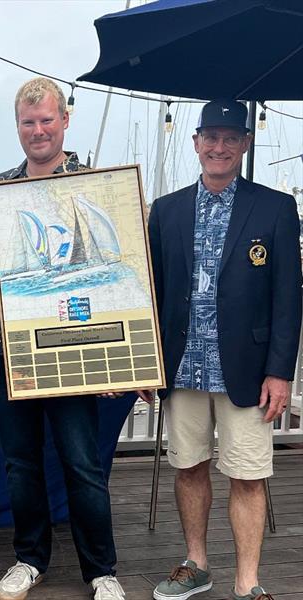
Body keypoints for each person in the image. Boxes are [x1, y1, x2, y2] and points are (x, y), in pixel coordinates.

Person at [0, 77, 129, 600]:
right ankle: (29, 558)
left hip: (74, 347)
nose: (37, 130)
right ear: (17, 126)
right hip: (7, 348)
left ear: (65, 120)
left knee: (83, 463)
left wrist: (117, 361)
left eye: (46, 120)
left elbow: (119, 273)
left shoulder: (95, 183)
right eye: (27, 122)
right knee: (20, 464)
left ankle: (101, 569)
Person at [148, 100, 302, 600]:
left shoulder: (276, 208)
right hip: (183, 365)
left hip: (248, 371)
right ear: (196, 142)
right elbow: (150, 293)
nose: (219, 147)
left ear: (244, 145)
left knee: (248, 475)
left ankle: (247, 581)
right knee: (188, 467)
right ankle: (196, 563)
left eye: (229, 138)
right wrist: (147, 365)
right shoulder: (165, 210)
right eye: (210, 136)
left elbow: (287, 299)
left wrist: (281, 372)